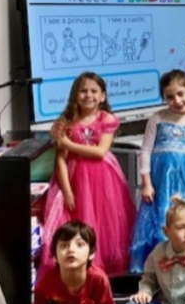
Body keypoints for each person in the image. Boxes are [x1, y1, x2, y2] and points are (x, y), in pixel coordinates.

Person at [40, 72, 136, 277]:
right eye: (83, 91)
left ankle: (102, 272)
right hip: (75, 179)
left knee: (104, 222)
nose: (88, 95)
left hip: (104, 179)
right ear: (75, 95)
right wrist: (66, 190)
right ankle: (76, 271)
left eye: (94, 91)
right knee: (78, 218)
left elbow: (100, 151)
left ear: (102, 96)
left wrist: (69, 144)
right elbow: (61, 160)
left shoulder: (107, 119)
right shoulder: (66, 122)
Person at [129, 70, 185, 273]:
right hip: (161, 183)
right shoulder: (157, 118)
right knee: (161, 220)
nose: (176, 100)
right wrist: (147, 183)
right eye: (169, 96)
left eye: (181, 94)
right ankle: (159, 270)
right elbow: (146, 151)